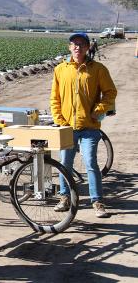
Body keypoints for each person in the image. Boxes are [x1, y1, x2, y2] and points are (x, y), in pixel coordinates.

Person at [50, 32, 117, 218]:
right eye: (74, 44)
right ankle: (64, 198)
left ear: (88, 47)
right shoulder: (60, 69)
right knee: (65, 164)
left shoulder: (98, 69)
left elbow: (111, 92)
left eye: (81, 44)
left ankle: (97, 201)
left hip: (89, 127)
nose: (77, 47)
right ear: (69, 47)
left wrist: (99, 110)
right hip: (67, 126)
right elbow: (54, 98)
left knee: (90, 163)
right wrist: (58, 119)